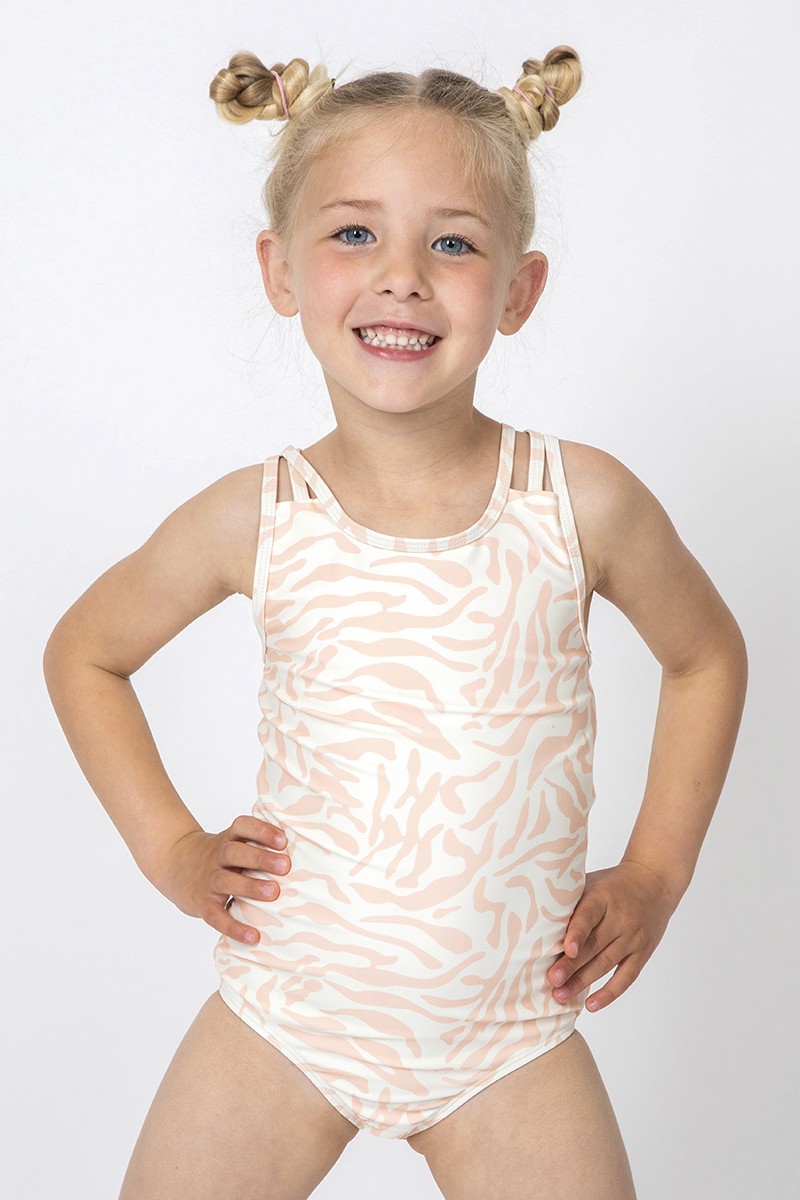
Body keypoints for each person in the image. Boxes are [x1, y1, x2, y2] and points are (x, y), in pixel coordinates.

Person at [43, 44, 748, 1200]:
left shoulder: (580, 502)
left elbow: (703, 654)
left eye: (453, 244)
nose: (403, 278)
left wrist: (656, 873)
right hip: (285, 1018)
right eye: (354, 233)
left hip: (508, 1038)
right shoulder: (256, 515)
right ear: (280, 269)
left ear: (518, 289)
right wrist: (172, 849)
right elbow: (86, 652)